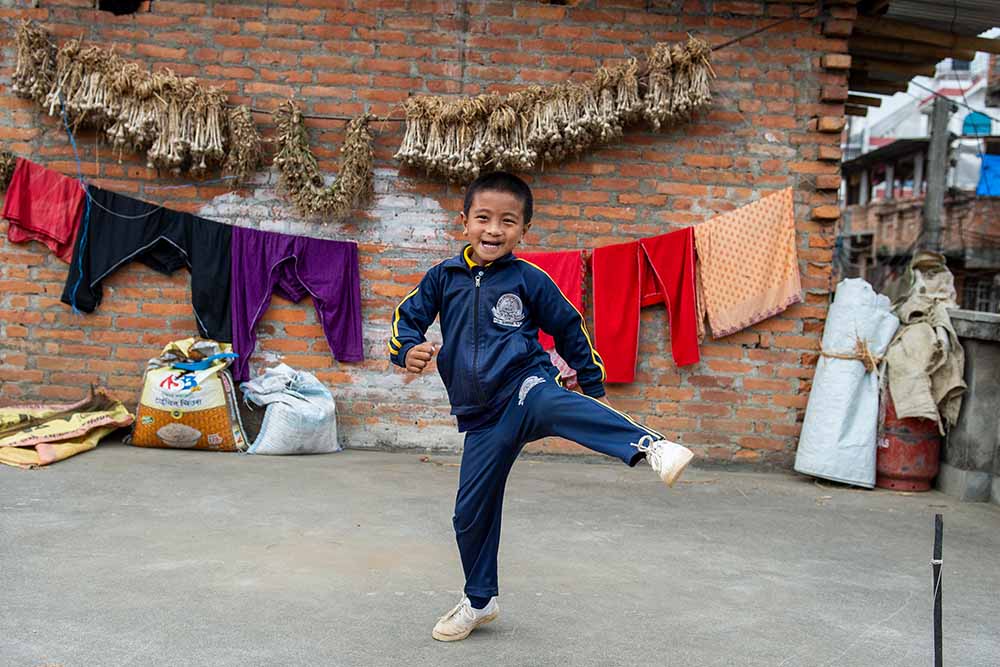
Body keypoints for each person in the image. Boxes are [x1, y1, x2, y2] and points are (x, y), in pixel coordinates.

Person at [388, 171, 694, 642]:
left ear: (523, 231)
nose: (494, 230)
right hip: (482, 416)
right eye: (484, 218)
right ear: (464, 221)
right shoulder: (442, 278)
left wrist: (593, 387)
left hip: (524, 383)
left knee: (549, 398)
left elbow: (571, 329)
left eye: (507, 222)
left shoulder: (530, 279)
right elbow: (406, 320)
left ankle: (652, 447)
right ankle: (479, 601)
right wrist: (407, 349)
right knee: (470, 514)